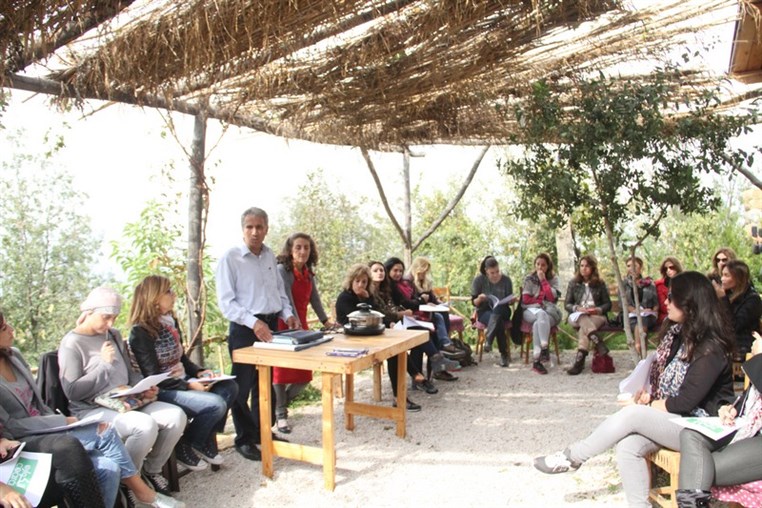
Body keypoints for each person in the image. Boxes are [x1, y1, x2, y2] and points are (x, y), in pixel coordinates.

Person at [534, 271, 735, 508]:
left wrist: (647, 407)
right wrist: (650, 396)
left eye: (671, 297)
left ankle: (573, 456)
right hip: (679, 422)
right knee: (628, 446)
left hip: (703, 429)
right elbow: (670, 389)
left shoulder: (710, 347)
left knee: (632, 414)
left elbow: (685, 402)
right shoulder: (678, 335)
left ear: (690, 304)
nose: (666, 302)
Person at [0, 312, 181, 508]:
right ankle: (144, 492)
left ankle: (134, 490)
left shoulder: (14, 355)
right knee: (104, 431)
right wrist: (61, 422)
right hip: (22, 438)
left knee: (108, 466)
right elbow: (12, 425)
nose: (11, 329)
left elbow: (39, 405)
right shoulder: (72, 343)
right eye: (3, 328)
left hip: (47, 426)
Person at [58, 286, 188, 498]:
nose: (110, 323)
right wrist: (103, 365)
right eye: (106, 317)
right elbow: (72, 391)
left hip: (127, 401)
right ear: (89, 312)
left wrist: (144, 387)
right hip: (92, 409)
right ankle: (129, 483)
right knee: (144, 426)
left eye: (114, 318)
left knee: (175, 416)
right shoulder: (71, 343)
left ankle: (150, 472)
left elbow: (129, 372)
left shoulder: (114, 334)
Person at [128, 275, 237, 468]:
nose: (174, 295)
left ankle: (201, 441)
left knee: (229, 387)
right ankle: (187, 445)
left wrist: (199, 372)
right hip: (163, 390)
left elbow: (182, 358)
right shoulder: (140, 333)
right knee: (216, 404)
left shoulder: (170, 322)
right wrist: (188, 385)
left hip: (183, 380)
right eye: (168, 291)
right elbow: (153, 378)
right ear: (154, 298)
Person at [216, 207, 298, 462]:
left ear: (266, 228)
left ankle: (264, 432)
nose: (254, 232)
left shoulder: (269, 255)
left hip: (271, 326)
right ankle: (244, 439)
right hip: (244, 329)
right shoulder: (230, 258)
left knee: (265, 384)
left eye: (259, 227)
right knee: (240, 387)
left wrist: (287, 314)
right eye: (249, 227)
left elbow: (278, 292)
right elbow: (226, 303)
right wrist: (253, 323)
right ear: (243, 229)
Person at [676, 333, 762, 508]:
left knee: (699, 469)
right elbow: (753, 398)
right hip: (749, 427)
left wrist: (759, 357)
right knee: (690, 435)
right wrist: (730, 409)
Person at [336, 264, 421, 411]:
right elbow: (358, 320)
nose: (360, 285)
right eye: (357, 281)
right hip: (351, 339)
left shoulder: (367, 296)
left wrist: (390, 323)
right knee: (392, 349)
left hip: (368, 335)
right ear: (351, 281)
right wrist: (366, 302)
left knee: (395, 349)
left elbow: (377, 315)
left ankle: (399, 397)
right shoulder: (345, 297)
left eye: (364, 282)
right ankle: (414, 374)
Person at [274, 233, 333, 433]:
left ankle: (276, 404)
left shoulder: (308, 272)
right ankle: (280, 415)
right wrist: (294, 322)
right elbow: (286, 298)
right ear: (290, 250)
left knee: (305, 375)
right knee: (280, 373)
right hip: (285, 324)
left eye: (306, 247)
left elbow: (315, 299)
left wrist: (326, 321)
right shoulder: (283, 270)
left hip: (302, 324)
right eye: (298, 247)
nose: (302, 251)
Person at [383, 257, 460, 380]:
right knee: (423, 332)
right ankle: (433, 365)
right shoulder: (394, 285)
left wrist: (427, 302)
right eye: (395, 270)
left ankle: (432, 370)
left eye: (400, 271)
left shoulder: (400, 283)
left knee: (433, 324)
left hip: (408, 317)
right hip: (396, 322)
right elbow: (403, 305)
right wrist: (417, 303)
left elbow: (410, 301)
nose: (398, 274)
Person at [564, 255, 612, 375]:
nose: (584, 268)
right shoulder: (573, 283)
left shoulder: (600, 283)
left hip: (596, 316)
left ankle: (579, 363)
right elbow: (567, 304)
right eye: (582, 266)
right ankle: (598, 342)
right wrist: (577, 308)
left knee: (583, 329)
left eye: (587, 266)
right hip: (577, 316)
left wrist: (597, 309)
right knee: (582, 317)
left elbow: (608, 304)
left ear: (592, 268)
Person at [471, 255, 514, 368]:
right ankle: (504, 355)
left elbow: (510, 300)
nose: (495, 275)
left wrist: (511, 300)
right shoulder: (479, 280)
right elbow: (474, 302)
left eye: (497, 271)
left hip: (504, 309)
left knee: (498, 310)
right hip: (484, 312)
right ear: (486, 271)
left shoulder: (506, 280)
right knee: (497, 320)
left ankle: (488, 340)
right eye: (492, 273)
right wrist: (480, 299)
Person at [522, 253, 562, 375]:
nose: (540, 267)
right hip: (530, 310)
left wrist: (543, 281)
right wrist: (539, 303)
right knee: (540, 314)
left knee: (538, 322)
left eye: (543, 265)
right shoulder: (529, 279)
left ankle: (536, 361)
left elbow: (550, 298)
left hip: (549, 311)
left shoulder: (554, 279)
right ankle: (545, 348)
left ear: (548, 266)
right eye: (538, 264)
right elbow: (526, 299)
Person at [715, 259, 762, 356]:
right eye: (722, 275)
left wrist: (723, 299)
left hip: (743, 347)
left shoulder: (752, 299)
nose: (722, 279)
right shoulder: (729, 295)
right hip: (724, 343)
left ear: (738, 277)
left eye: (726, 275)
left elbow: (734, 326)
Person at [623, 256, 659, 355]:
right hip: (631, 316)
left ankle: (639, 354)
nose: (631, 268)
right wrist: (635, 311)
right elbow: (623, 304)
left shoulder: (649, 283)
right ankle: (642, 356)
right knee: (638, 325)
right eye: (628, 266)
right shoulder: (624, 284)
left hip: (648, 316)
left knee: (643, 322)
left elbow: (656, 304)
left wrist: (653, 311)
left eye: (634, 266)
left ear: (641, 267)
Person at [655, 257, 683, 325]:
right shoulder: (661, 285)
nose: (668, 270)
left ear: (677, 267)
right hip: (668, 314)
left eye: (671, 267)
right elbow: (663, 306)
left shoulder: (686, 281)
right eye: (665, 269)